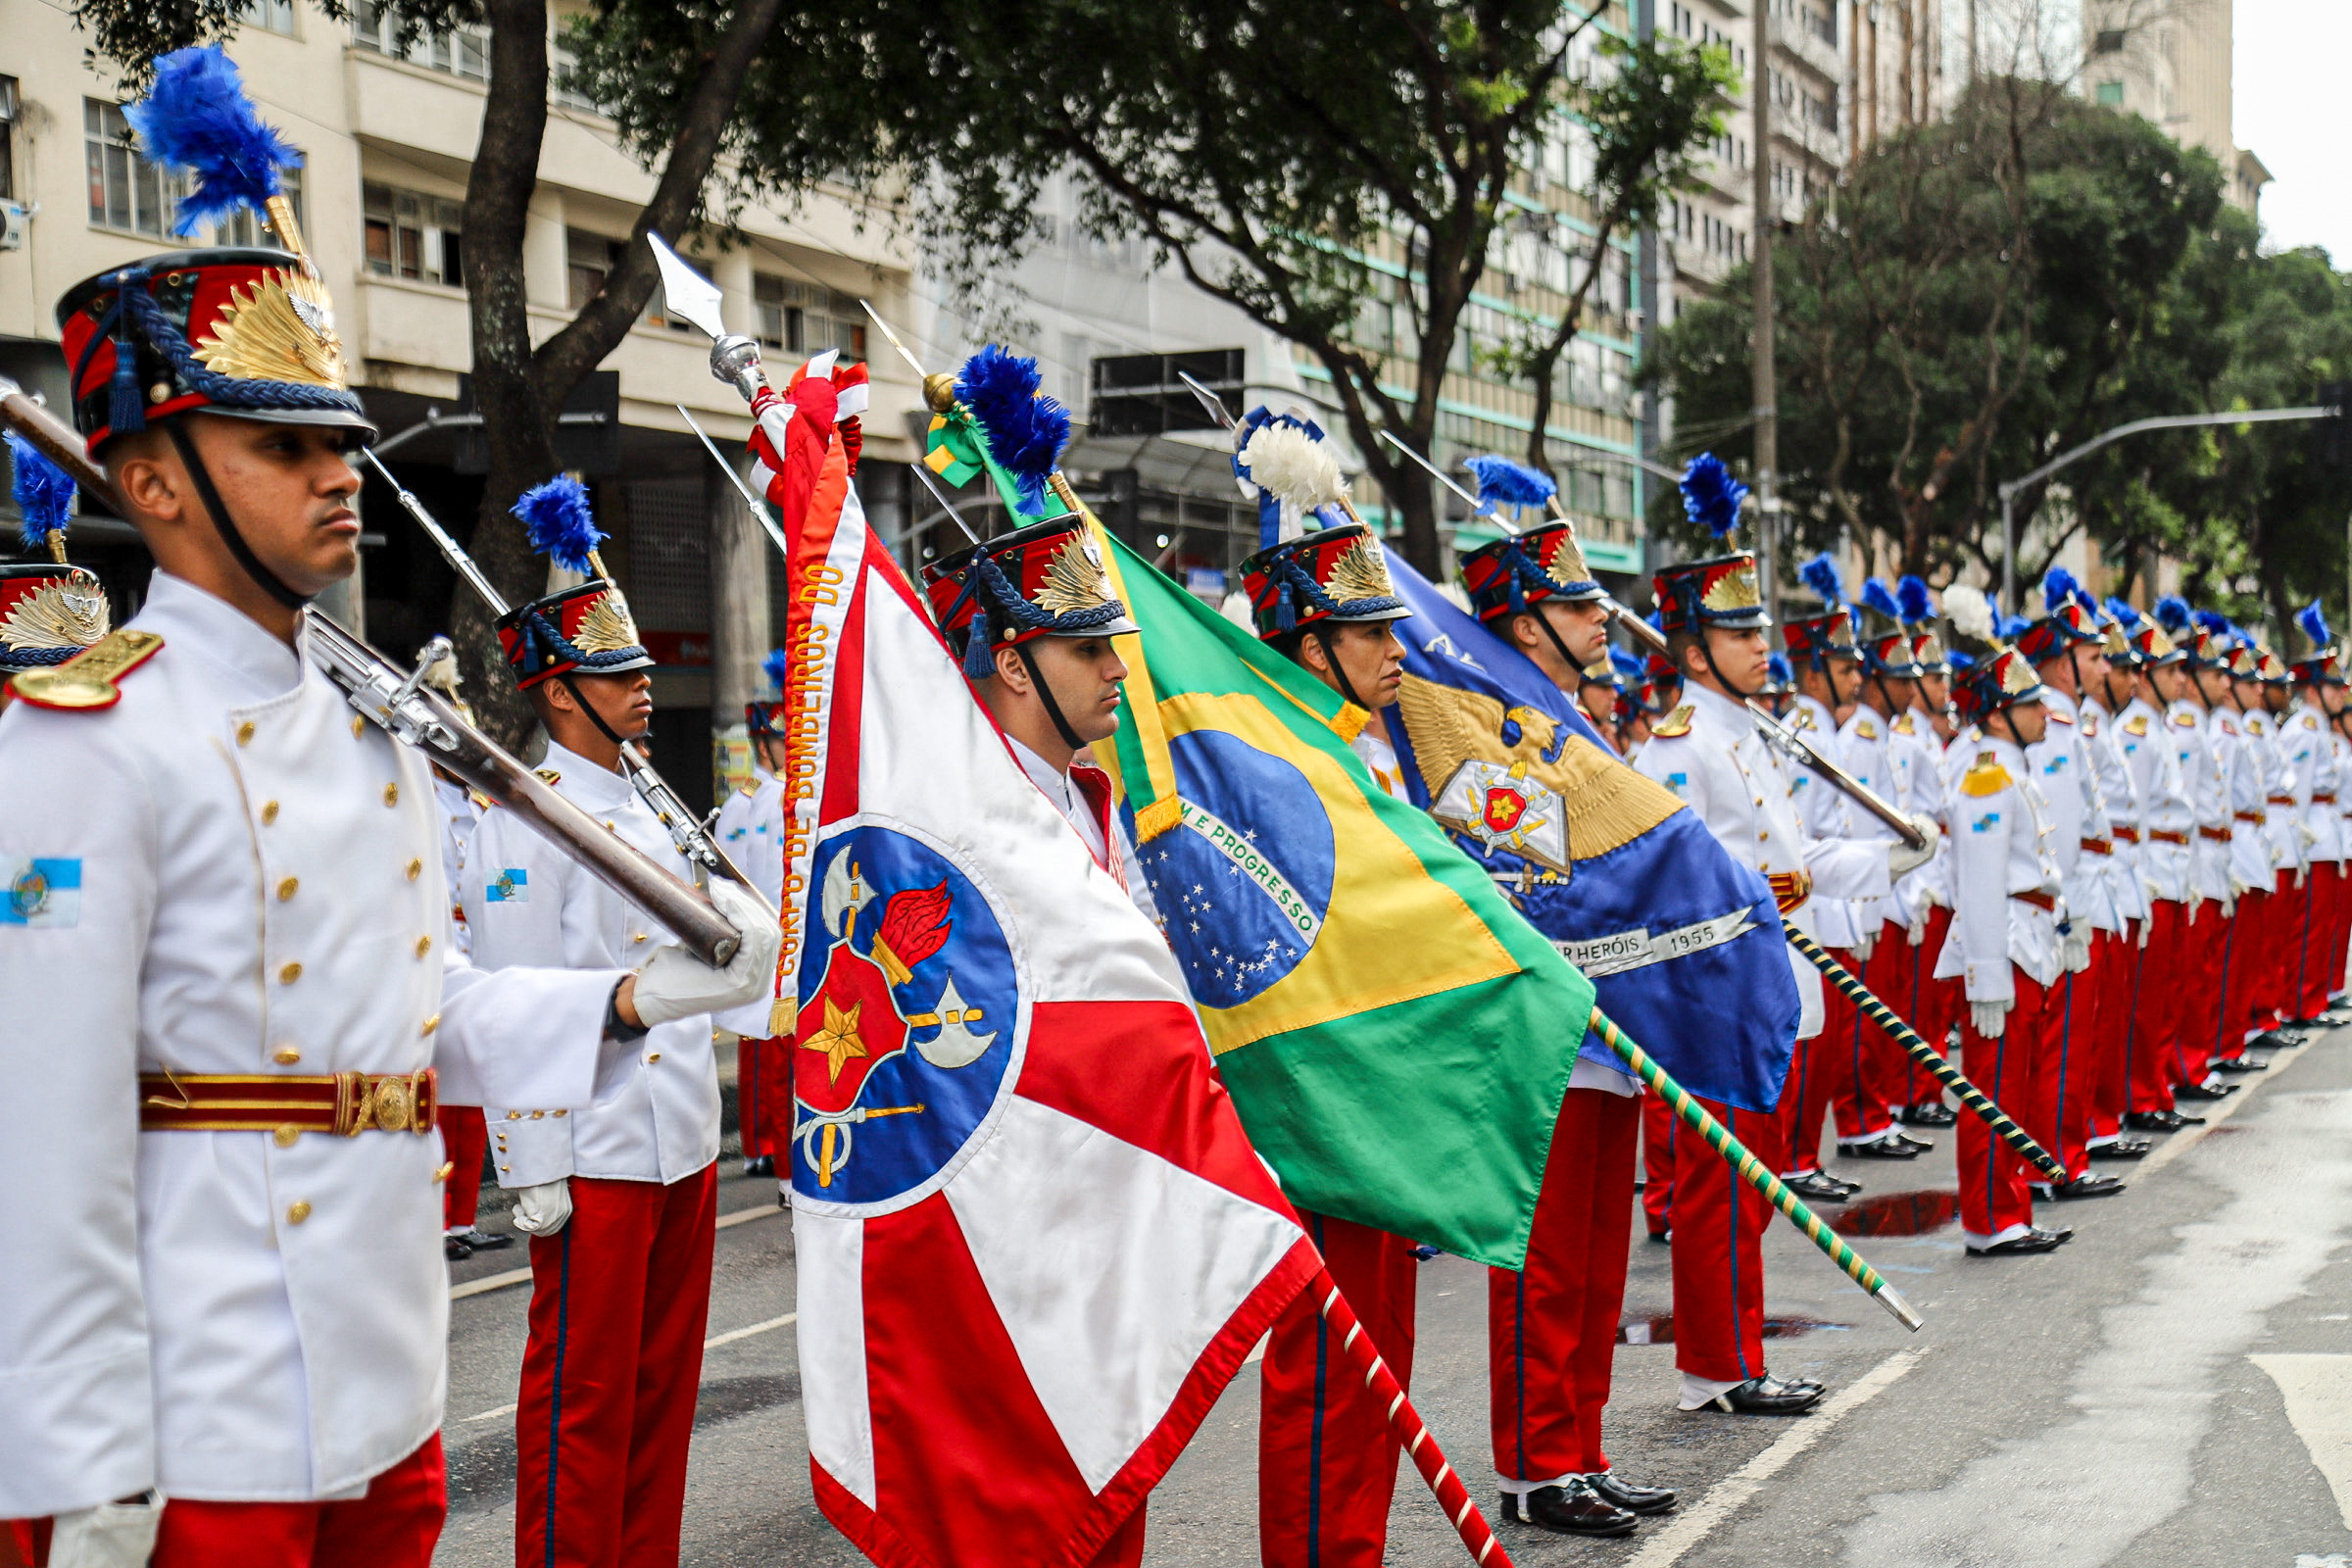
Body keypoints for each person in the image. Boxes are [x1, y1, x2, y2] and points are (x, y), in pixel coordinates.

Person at [0, 239, 774, 1568]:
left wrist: (632, 998)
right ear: (149, 484)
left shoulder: (370, 737)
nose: (338, 477)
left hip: (379, 1367)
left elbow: (427, 1011)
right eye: (280, 449)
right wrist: (75, 1457)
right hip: (199, 1397)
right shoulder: (86, 742)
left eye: (339, 444)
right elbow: (41, 1122)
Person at [469, 477, 770, 1568]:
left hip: (680, 1134)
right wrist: (528, 1154)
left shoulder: (656, 801)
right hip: (592, 1143)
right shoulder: (522, 817)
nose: (647, 687)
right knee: (583, 1406)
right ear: (561, 692)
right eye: (620, 673)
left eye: (642, 670)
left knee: (660, 1399)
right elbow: (507, 991)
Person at [921, 510, 1162, 1567]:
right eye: (1086, 647)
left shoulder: (1092, 799)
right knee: (1029, 1512)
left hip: (1115, 1196)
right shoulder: (961, 819)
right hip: (1021, 1219)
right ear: (1013, 666)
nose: (1114, 670)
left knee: (1120, 1476)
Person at [1633, 549, 1921, 1414]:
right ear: (1693, 651)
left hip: (1771, 979)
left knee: (1749, 1187)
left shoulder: (1750, 740)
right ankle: (1717, 1368)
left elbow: (1800, 863)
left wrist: (1893, 854)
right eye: (1736, 631)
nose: (1760, 644)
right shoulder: (1682, 750)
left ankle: (1738, 1355)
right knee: (1720, 1187)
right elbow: (1680, 884)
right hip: (1720, 989)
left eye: (1758, 628)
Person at [1455, 522, 1667, 1537]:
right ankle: (1537, 1467)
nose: (1599, 619)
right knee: (1542, 1266)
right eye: (1579, 605)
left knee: (1596, 1264)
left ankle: (1583, 1447)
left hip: (1609, 1030)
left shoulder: (1577, 726)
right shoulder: (1488, 733)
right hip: (1545, 1036)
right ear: (1527, 624)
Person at [1226, 522, 1423, 1565]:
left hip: (1388, 1090)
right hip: (1323, 1094)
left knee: (1383, 1356)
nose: (1396, 647)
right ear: (1311, 646)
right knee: (1327, 1362)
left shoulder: (1372, 754)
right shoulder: (1272, 763)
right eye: (1369, 629)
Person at [1935, 587, 2073, 1255]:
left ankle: (2009, 1207)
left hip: (2031, 938)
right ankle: (1990, 1218)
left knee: (2011, 1087)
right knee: (1992, 1090)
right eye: (2028, 705)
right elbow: (1983, 883)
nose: (2043, 713)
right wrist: (1987, 974)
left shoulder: (2014, 769)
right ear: (1996, 717)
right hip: (2006, 944)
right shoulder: (1988, 778)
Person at [2012, 574, 2123, 1200]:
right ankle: (2055, 1162)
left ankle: (2062, 1155)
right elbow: (2057, 831)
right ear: (2060, 662)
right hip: (2062, 900)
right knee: (2059, 1045)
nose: (2102, 667)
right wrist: (2069, 909)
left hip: (2080, 893)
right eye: (2091, 655)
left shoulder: (2068, 716)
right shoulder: (2054, 720)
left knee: (2072, 1042)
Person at [415, 648, 512, 1260]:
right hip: (428, 962)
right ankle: (431, 1216)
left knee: (470, 1098)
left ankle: (459, 1218)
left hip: (475, 957)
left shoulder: (479, 806)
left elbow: (497, 882)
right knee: (430, 1097)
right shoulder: (416, 796)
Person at [2105, 603, 2203, 1134]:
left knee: (2165, 994)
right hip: (2151, 869)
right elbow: (2133, 817)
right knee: (2145, 1001)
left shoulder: (2157, 727)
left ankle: (2156, 1088)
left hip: (2171, 868)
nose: (2180, 679)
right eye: (2170, 671)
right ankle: (2142, 1094)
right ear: (2145, 678)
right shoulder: (2138, 731)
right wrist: (2140, 876)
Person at [2074, 598, 2153, 1164]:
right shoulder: (2081, 726)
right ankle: (2091, 1126)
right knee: (2089, 1022)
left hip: (2114, 874)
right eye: (2106, 661)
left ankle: (2101, 1120)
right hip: (2089, 880)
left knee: (2108, 1013)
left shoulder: (2100, 726)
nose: (2118, 675)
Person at [712, 663, 792, 1179]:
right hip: (777, 937)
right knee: (774, 1049)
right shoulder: (772, 798)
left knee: (765, 1045)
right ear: (766, 744)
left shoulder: (751, 799)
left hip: (763, 938)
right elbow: (765, 877)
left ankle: (765, 1144)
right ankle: (771, 1148)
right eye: (785, 739)